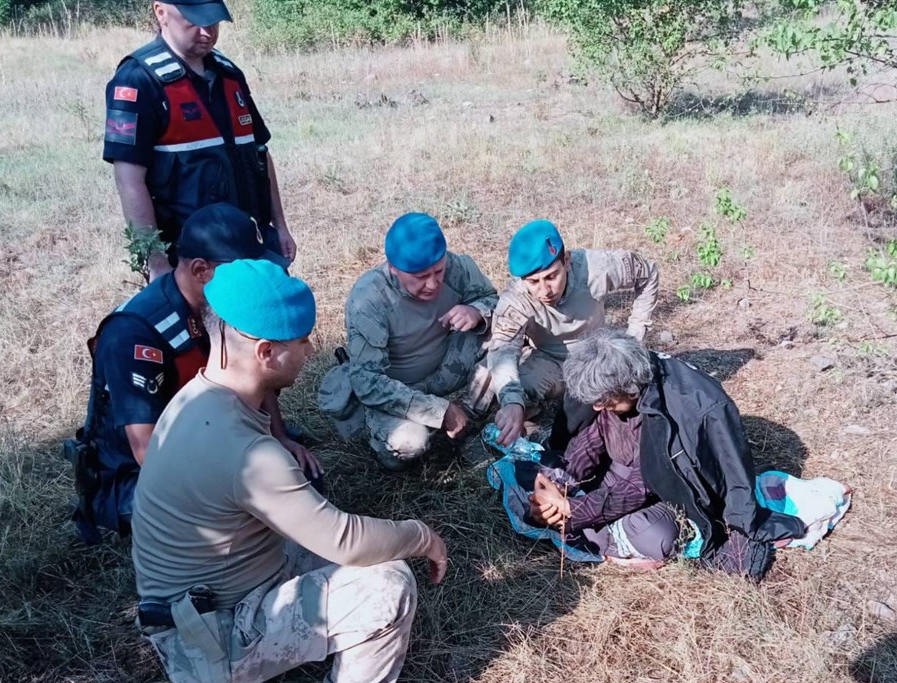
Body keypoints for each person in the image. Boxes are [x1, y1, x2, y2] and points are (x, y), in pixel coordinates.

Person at [131, 259, 449, 683]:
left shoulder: (198, 398)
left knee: (327, 537)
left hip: (194, 613)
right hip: (207, 636)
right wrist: (421, 535)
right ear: (266, 352)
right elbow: (347, 542)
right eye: (302, 341)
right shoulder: (245, 453)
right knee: (387, 581)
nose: (309, 350)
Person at [67, 203, 316, 543]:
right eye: (242, 268)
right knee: (253, 512)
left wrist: (278, 435)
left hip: (214, 436)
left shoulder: (228, 304)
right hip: (140, 477)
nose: (252, 278)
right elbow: (148, 452)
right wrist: (239, 478)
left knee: (299, 479)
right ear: (201, 270)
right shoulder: (135, 334)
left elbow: (258, 374)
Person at [527, 330, 806, 578]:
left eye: (605, 401)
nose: (598, 408)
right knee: (538, 492)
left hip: (669, 492)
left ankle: (603, 539)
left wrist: (574, 511)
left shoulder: (681, 406)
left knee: (654, 535)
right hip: (616, 477)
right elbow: (591, 440)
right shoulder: (611, 394)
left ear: (630, 387)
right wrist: (555, 484)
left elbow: (646, 481)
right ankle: (602, 537)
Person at [102, 0, 295, 278]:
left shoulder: (229, 74)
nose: (207, 32)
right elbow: (129, 180)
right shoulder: (137, 80)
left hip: (251, 244)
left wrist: (280, 226)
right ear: (161, 12)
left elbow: (260, 153)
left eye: (213, 21)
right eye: (194, 21)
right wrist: (155, 261)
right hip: (193, 261)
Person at [318, 213, 498, 470]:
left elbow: (495, 302)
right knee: (408, 442)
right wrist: (438, 411)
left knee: (504, 334)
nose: (433, 283)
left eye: (438, 271)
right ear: (393, 268)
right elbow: (368, 383)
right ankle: (373, 426)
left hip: (444, 368)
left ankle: (469, 419)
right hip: (396, 387)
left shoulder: (457, 267)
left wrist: (477, 311)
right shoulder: (368, 299)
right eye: (421, 276)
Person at [488, 220, 660, 448]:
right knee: (522, 391)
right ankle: (529, 431)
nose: (544, 290)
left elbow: (648, 273)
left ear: (566, 260)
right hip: (551, 359)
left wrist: (635, 336)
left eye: (551, 277)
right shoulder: (515, 300)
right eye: (533, 282)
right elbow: (502, 349)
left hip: (595, 355)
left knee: (631, 391)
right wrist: (511, 401)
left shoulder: (596, 268)